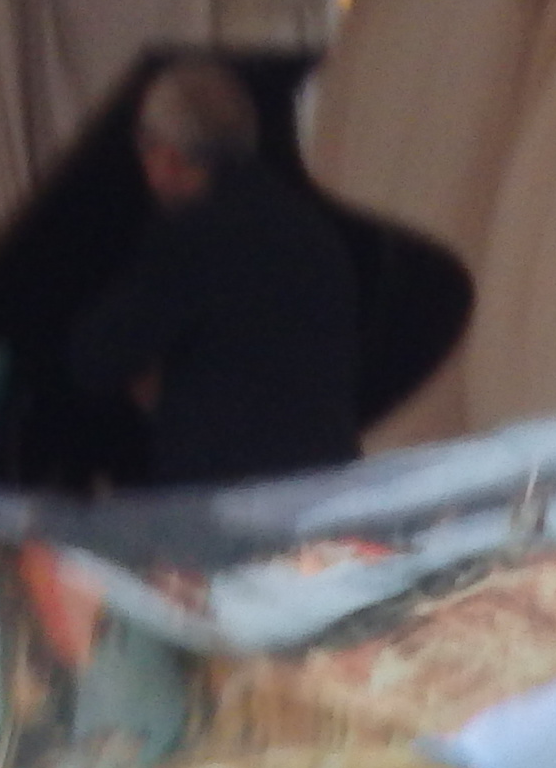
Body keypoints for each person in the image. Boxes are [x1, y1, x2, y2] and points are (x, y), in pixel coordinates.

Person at [67, 60, 364, 488]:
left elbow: (98, 359)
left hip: (227, 495)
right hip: (326, 482)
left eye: (145, 148)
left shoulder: (190, 238)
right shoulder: (312, 228)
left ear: (168, 157)